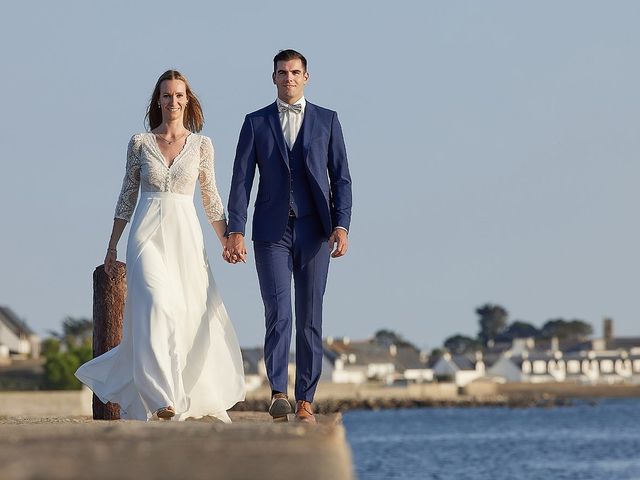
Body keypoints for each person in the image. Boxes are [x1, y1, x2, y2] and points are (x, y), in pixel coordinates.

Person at [76, 70, 245, 422]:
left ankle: (176, 394)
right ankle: (161, 398)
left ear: (188, 100)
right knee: (157, 304)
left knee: (182, 315)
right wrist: (111, 247)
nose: (173, 101)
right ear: (158, 101)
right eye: (166, 95)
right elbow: (127, 195)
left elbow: (211, 199)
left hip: (185, 236)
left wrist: (227, 240)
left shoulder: (202, 145)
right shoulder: (139, 143)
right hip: (146, 234)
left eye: (179, 95)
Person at [225, 49, 352, 423]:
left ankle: (306, 400)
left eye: (295, 72)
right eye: (282, 73)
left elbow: (341, 177)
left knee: (310, 317)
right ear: (274, 78)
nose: (289, 78)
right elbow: (241, 180)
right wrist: (235, 229)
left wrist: (342, 225)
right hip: (270, 232)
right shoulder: (256, 122)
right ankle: (278, 393)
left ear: (306, 77)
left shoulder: (328, 121)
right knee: (278, 312)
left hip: (316, 231)